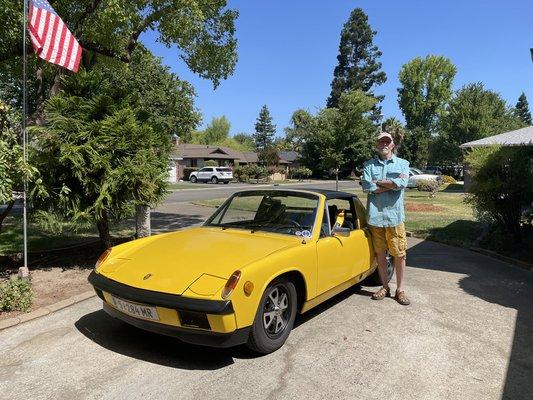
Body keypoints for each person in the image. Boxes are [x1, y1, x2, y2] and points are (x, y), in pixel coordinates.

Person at [361, 132, 410, 305]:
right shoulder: (368, 165)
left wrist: (379, 183)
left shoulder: (403, 164)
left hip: (395, 217)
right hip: (375, 218)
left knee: (399, 254)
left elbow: (402, 184)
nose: (384, 144)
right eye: (381, 141)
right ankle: (385, 286)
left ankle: (400, 289)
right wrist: (390, 184)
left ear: (392, 144)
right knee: (380, 254)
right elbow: (367, 186)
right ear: (377, 144)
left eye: (387, 141)